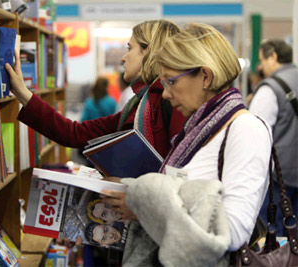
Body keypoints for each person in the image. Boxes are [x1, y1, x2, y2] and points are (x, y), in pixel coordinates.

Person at [5, 19, 186, 265]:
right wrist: (23, 94)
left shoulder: (169, 104)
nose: (123, 57)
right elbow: (74, 133)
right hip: (129, 226)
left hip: (154, 237)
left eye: (129, 48)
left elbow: (179, 174)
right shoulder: (135, 106)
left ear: (149, 52)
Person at [102, 23, 272, 266]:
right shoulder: (196, 129)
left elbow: (232, 233)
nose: (165, 94)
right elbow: (180, 192)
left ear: (205, 76)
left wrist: (144, 205)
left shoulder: (246, 130)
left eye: (171, 82)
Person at [249, 39, 298, 236]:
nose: (260, 67)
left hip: (280, 177)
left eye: (262, 60)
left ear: (274, 57)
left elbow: (255, 133)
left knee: (274, 235)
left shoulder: (271, 88)